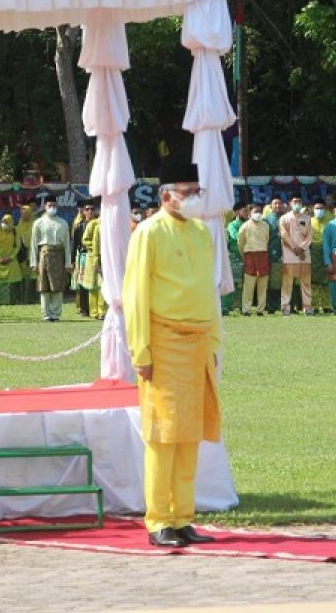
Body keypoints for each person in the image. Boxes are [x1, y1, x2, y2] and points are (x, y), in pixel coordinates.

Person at [122, 165, 221, 548]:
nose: (195, 197)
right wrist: (141, 350)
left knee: (190, 436)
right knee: (163, 436)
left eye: (198, 189)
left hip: (198, 342)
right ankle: (159, 519)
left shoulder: (200, 232)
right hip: (163, 342)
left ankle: (183, 517)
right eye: (188, 190)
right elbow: (135, 295)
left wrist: (212, 342)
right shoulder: (148, 232)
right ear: (166, 196)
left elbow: (208, 291)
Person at [30, 200, 72, 322]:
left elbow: (67, 245)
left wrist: (68, 263)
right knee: (44, 285)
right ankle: (46, 313)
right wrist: (33, 262)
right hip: (44, 255)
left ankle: (56, 313)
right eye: (49, 206)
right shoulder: (38, 223)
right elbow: (33, 244)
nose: (52, 208)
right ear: (45, 207)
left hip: (59, 255)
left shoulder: (63, 223)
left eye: (54, 205)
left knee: (58, 285)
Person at [278, 195, 313, 315]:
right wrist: (295, 249)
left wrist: (302, 249)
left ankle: (307, 307)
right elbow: (283, 235)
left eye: (299, 201)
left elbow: (309, 237)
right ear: (290, 203)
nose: (297, 204)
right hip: (289, 255)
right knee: (287, 282)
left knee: (306, 282)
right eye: (295, 202)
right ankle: (285, 307)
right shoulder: (284, 218)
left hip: (304, 255)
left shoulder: (307, 218)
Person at [237, 204, 271, 315]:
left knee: (263, 284)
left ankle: (260, 309)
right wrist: (245, 255)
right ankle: (245, 309)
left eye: (260, 211)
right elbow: (240, 243)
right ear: (250, 213)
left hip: (263, 255)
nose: (258, 214)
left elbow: (267, 240)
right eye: (256, 211)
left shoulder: (266, 225)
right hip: (250, 255)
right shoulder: (245, 226)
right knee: (249, 285)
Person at [79, 202, 105, 319]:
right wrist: (95, 248)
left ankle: (102, 311)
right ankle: (94, 312)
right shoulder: (93, 224)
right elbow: (85, 240)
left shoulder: (109, 225)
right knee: (93, 286)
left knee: (103, 285)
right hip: (92, 258)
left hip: (105, 258)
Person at [223, 203, 247, 315]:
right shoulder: (232, 225)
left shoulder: (249, 224)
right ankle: (225, 307)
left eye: (247, 211)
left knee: (246, 284)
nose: (247, 213)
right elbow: (236, 237)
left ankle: (242, 307)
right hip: (235, 258)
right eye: (244, 211)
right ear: (237, 213)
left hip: (247, 257)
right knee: (233, 283)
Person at [309, 200, 333, 313]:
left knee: (326, 281)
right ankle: (314, 305)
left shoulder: (330, 222)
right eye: (317, 208)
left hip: (326, 251)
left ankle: (326, 305)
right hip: (313, 251)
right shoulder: (308, 222)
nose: (319, 211)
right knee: (313, 282)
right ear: (313, 210)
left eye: (321, 208)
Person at [264, 198, 285, 312]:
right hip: (272, 255)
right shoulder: (266, 220)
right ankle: (272, 306)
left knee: (286, 281)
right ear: (271, 206)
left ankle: (285, 305)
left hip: (287, 254)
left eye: (280, 203)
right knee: (273, 282)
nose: (278, 205)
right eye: (275, 204)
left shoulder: (287, 218)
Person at [15, 204, 37, 304]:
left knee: (33, 276)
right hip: (22, 255)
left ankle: (32, 298)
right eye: (22, 213)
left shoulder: (35, 223)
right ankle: (23, 299)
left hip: (33, 253)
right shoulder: (19, 224)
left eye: (26, 213)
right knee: (22, 276)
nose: (24, 215)